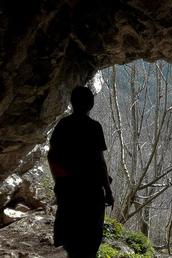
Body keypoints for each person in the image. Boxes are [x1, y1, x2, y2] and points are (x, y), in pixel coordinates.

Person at [47, 86, 114, 258]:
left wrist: (59, 181)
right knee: (90, 235)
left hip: (68, 188)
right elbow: (99, 162)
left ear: (72, 103)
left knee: (71, 234)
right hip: (90, 190)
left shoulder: (63, 125)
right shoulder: (93, 127)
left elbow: (52, 156)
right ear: (90, 104)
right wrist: (108, 190)